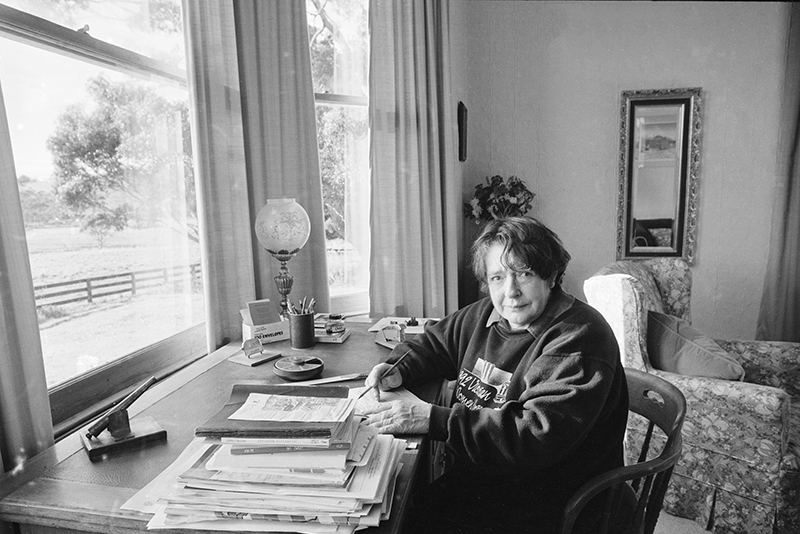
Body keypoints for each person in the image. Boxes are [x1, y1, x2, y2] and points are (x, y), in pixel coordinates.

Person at [361, 216, 629, 534]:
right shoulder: (487, 312)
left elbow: (532, 436)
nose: (510, 292)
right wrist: (398, 369)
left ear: (552, 276)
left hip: (548, 503)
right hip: (487, 481)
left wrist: (431, 419)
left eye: (524, 274)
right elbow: (433, 343)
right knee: (392, 509)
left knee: (397, 517)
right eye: (497, 278)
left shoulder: (579, 337)